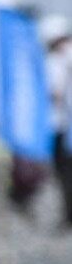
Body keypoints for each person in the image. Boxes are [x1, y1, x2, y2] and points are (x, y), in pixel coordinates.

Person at [46, 18, 72, 228]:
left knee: (64, 172)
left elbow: (55, 93)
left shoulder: (56, 60)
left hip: (63, 124)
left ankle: (68, 215)